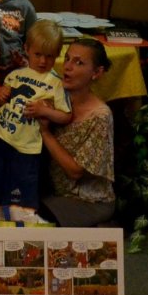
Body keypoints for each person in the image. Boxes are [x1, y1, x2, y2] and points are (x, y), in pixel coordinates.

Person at [0, 20, 73, 215]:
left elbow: (66, 116)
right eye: (37, 54)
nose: (42, 61)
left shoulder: (56, 83)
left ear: (57, 55)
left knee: (22, 187)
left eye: (49, 56)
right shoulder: (16, 74)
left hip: (27, 146)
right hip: (1, 137)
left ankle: (22, 220)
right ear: (27, 49)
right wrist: (0, 92)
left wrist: (45, 111)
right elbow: (1, 100)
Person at [41, 39, 115, 226]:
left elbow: (75, 171)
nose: (68, 67)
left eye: (79, 62)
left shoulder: (99, 116)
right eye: (67, 59)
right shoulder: (54, 100)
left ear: (96, 73)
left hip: (86, 201)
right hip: (53, 190)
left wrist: (45, 132)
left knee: (35, 219)